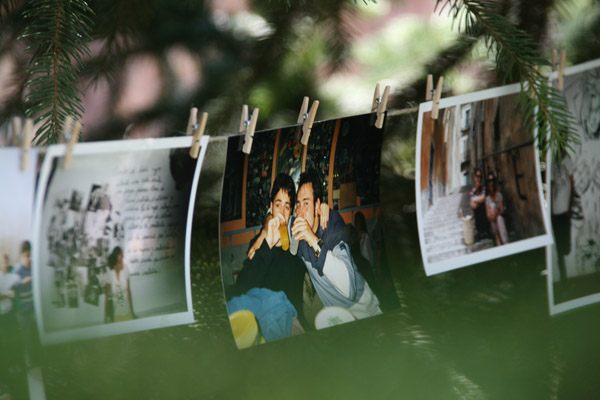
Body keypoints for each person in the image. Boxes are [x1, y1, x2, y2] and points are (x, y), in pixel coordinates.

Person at [292, 170, 381, 319]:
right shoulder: (296, 231)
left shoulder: (332, 225)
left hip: (363, 311)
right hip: (336, 317)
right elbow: (279, 217)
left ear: (317, 205)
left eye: (306, 203)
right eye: (298, 205)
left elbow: (349, 289)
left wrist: (313, 240)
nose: (300, 212)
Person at [227, 173, 306, 322]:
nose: (282, 213)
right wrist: (267, 242)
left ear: (291, 213)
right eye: (278, 205)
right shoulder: (257, 245)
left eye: (287, 207)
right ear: (270, 207)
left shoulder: (294, 256)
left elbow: (296, 307)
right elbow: (242, 289)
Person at [12, 241, 38, 366]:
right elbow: (11, 291)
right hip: (23, 312)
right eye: (27, 256)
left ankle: (36, 358)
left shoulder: (34, 267)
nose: (30, 259)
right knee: (25, 338)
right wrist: (22, 283)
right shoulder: (17, 271)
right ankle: (28, 361)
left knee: (35, 335)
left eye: (31, 255)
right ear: (21, 255)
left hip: (34, 309)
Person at [104, 246, 135, 323]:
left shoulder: (126, 269)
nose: (122, 258)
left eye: (122, 255)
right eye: (120, 255)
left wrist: (132, 312)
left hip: (127, 312)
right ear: (116, 257)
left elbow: (129, 292)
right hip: (115, 314)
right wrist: (106, 316)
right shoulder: (109, 272)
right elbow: (107, 296)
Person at [485, 172, 509, 246]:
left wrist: (497, 212)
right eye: (489, 181)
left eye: (492, 181)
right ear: (488, 184)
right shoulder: (487, 199)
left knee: (499, 219)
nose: (491, 183)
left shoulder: (499, 195)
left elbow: (502, 210)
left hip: (500, 220)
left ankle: (505, 243)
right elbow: (488, 216)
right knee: (495, 222)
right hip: (493, 223)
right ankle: (500, 241)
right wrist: (495, 213)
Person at [469, 167, 488, 241]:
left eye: (480, 176)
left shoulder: (484, 188)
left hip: (485, 213)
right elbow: (472, 205)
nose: (478, 178)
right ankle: (480, 232)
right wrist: (478, 200)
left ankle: (485, 231)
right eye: (477, 176)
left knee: (481, 206)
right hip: (478, 213)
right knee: (476, 208)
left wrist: (475, 199)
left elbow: (483, 198)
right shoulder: (472, 191)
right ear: (474, 177)